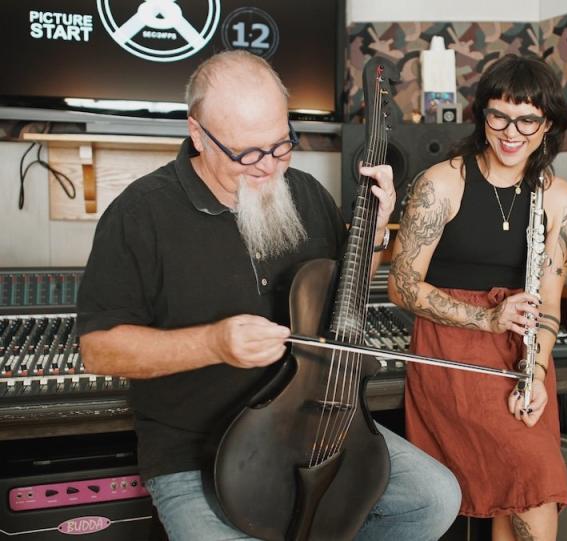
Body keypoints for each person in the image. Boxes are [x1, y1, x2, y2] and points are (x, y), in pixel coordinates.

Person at [77, 50, 460, 541]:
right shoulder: (139, 215)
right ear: (198, 135)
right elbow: (99, 348)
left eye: (281, 146)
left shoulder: (305, 194)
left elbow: (346, 294)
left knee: (433, 498)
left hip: (313, 423)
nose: (268, 167)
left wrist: (377, 231)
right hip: (196, 452)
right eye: (248, 154)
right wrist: (213, 343)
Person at [388, 54, 567, 540]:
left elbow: (550, 303)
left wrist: (535, 375)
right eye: (499, 115)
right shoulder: (442, 183)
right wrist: (487, 318)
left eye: (527, 119)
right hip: (453, 349)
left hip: (523, 351)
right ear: (481, 115)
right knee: (531, 478)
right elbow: (401, 285)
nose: (511, 132)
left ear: (547, 124)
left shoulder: (560, 198)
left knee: (516, 489)